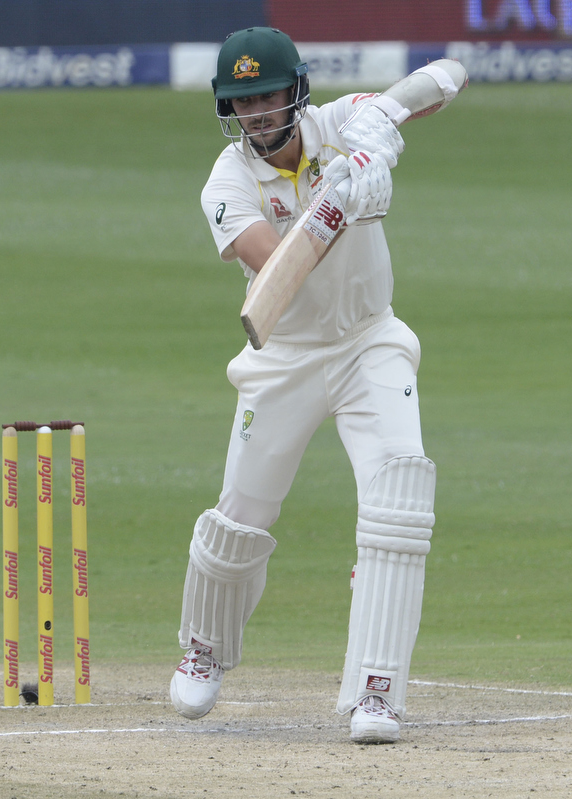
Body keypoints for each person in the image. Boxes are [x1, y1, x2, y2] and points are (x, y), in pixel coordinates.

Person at [169, 27, 437, 744]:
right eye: (241, 101)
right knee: (241, 515)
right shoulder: (226, 183)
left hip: (368, 340)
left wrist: (379, 138)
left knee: (399, 496)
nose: (257, 114)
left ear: (296, 91)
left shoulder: (339, 120)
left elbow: (442, 80)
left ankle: (376, 689)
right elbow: (279, 265)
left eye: (266, 96)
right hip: (283, 355)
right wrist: (338, 202)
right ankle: (204, 645)